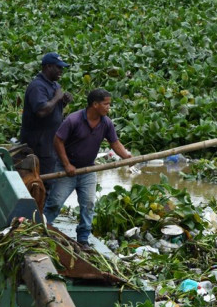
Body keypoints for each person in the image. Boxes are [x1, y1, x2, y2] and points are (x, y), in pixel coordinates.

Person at [43, 88, 132, 249]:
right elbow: (58, 140)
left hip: (88, 170)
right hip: (67, 170)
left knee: (89, 204)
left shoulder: (106, 123)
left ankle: (83, 239)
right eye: (106, 104)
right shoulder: (74, 120)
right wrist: (66, 164)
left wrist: (126, 156)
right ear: (95, 104)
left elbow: (114, 143)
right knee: (55, 202)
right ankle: (42, 229)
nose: (108, 107)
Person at [19, 52, 74, 179]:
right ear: (48, 66)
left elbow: (53, 109)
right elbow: (41, 111)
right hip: (38, 145)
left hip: (50, 141)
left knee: (50, 179)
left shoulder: (54, 84)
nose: (61, 71)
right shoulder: (37, 86)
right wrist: (57, 97)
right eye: (58, 67)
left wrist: (63, 101)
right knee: (41, 179)